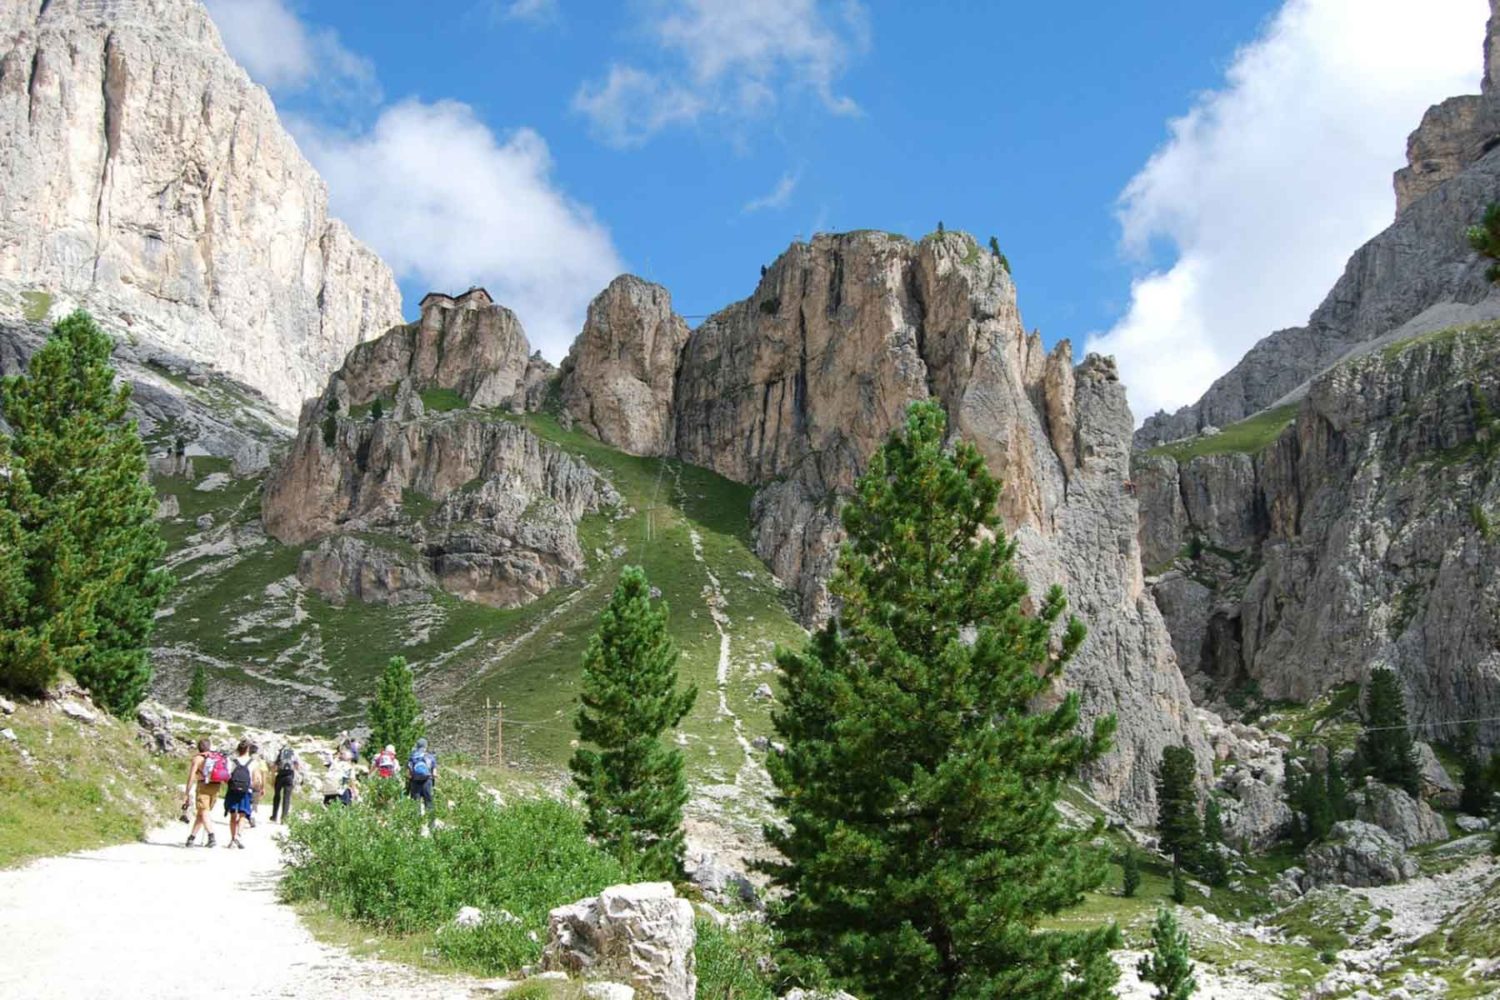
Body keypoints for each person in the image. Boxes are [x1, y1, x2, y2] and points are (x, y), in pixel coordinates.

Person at [183, 738, 223, 848]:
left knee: (204, 811)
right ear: (209, 746)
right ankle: (191, 838)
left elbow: (191, 776)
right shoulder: (216, 757)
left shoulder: (197, 759)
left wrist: (187, 792)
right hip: (216, 786)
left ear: (199, 747)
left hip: (203, 786)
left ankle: (211, 836)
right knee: (202, 812)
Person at [224, 739, 255, 849]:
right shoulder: (252, 762)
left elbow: (227, 775)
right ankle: (238, 836)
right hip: (246, 791)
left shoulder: (233, 761)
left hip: (233, 790)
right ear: (248, 749)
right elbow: (254, 778)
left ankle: (232, 839)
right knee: (243, 814)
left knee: (233, 815)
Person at [270, 743, 301, 823]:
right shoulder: (293, 753)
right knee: (287, 797)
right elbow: (297, 765)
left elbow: (274, 766)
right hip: (289, 776)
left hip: (280, 775)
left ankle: (274, 816)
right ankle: (284, 818)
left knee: (277, 796)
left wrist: (273, 778)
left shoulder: (279, 753)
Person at [407, 738, 437, 814]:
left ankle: (416, 822)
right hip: (427, 781)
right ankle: (431, 822)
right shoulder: (430, 757)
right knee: (428, 801)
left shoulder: (412, 757)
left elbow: (409, 774)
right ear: (426, 746)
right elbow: (434, 773)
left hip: (415, 781)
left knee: (415, 802)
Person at [247, 743, 268, 828]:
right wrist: (263, 787)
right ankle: (252, 817)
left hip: (247, 783)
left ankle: (244, 815)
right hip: (257, 784)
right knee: (255, 803)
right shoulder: (261, 761)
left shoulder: (247, 759)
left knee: (247, 801)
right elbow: (264, 775)